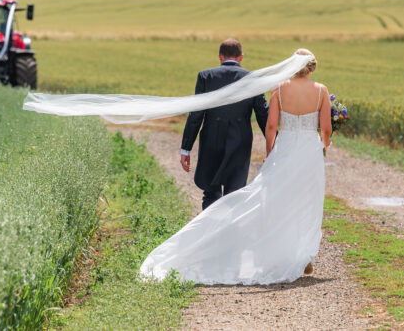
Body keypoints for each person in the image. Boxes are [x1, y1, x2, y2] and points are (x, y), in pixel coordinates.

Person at [140, 48, 332, 285]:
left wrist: (271, 150)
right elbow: (325, 128)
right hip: (308, 153)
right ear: (312, 67)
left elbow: (271, 125)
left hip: (286, 149)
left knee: (276, 202)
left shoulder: (280, 89)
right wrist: (322, 144)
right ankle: (302, 256)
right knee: (306, 201)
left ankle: (269, 252)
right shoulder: (321, 91)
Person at [180, 38, 269, 210]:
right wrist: (273, 146)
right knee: (234, 193)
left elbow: (196, 114)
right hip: (240, 140)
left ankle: (209, 232)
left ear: (220, 56)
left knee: (211, 191)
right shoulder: (254, 78)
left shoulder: (206, 76)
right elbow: (263, 114)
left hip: (211, 139)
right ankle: (230, 233)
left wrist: (186, 148)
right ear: (241, 57)